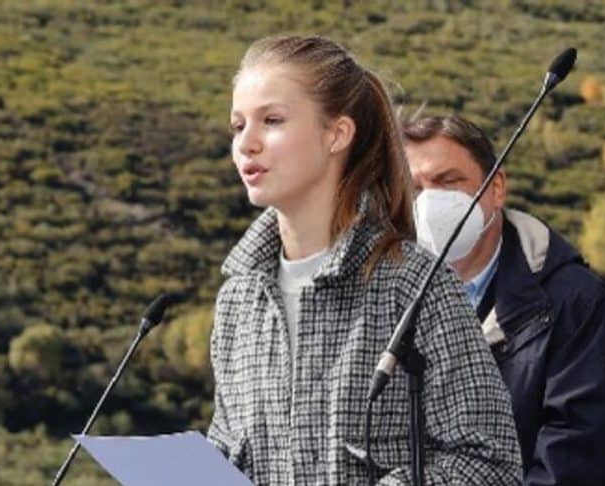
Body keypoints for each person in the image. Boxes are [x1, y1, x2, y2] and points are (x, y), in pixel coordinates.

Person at [206, 35, 522, 485]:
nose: (246, 144)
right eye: (238, 126)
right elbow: (227, 451)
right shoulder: (237, 301)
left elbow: (492, 466)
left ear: (337, 133)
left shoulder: (413, 284)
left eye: (271, 120)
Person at [402, 113, 605, 485]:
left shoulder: (575, 303)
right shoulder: (387, 300)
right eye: (415, 189)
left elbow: (575, 464)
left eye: (448, 182)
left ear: (496, 188)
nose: (429, 204)